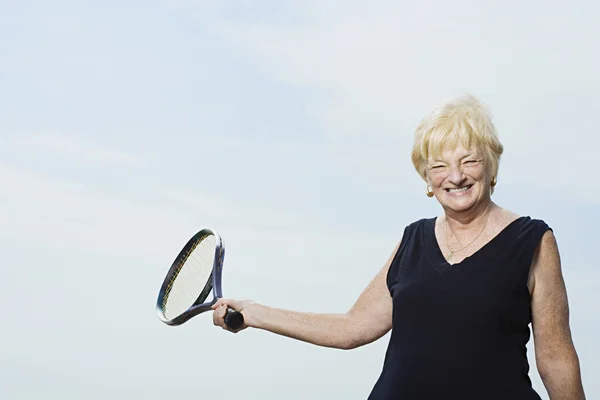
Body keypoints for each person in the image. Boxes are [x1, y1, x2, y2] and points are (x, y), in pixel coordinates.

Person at [212, 94, 586, 399]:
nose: (455, 177)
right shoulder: (413, 240)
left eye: (469, 161)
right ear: (426, 178)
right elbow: (351, 327)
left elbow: (555, 357)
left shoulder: (533, 240)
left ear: (491, 167)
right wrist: (253, 313)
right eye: (439, 166)